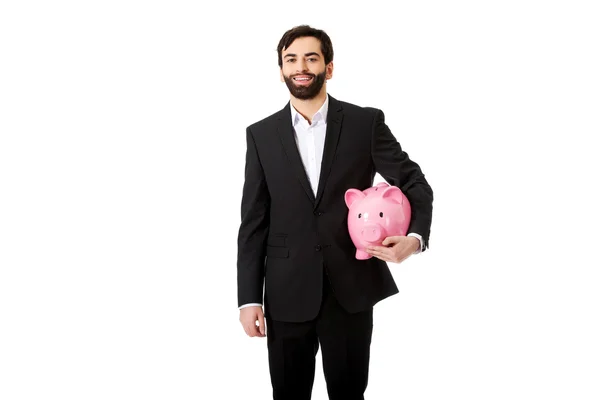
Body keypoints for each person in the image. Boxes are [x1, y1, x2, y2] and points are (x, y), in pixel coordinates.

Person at [236, 25, 434, 400]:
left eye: (312, 58)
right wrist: (249, 298)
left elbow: (414, 183)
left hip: (350, 290)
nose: (301, 66)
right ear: (280, 68)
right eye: (291, 59)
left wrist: (415, 239)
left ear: (328, 68)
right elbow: (253, 222)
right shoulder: (260, 135)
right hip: (285, 292)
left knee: (349, 393)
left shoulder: (365, 123)